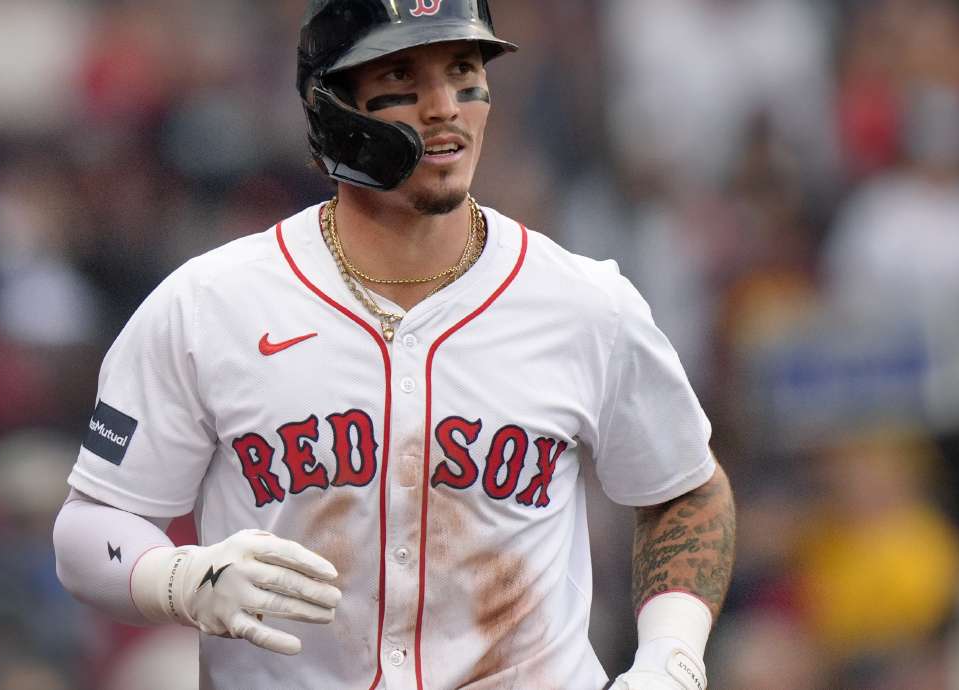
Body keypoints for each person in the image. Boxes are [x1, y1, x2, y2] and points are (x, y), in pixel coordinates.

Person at [53, 2, 736, 688]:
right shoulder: (208, 305)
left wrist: (670, 657)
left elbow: (684, 491)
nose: (444, 108)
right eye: (404, 80)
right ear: (331, 110)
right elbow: (92, 528)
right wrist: (180, 578)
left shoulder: (584, 303)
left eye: (463, 73)